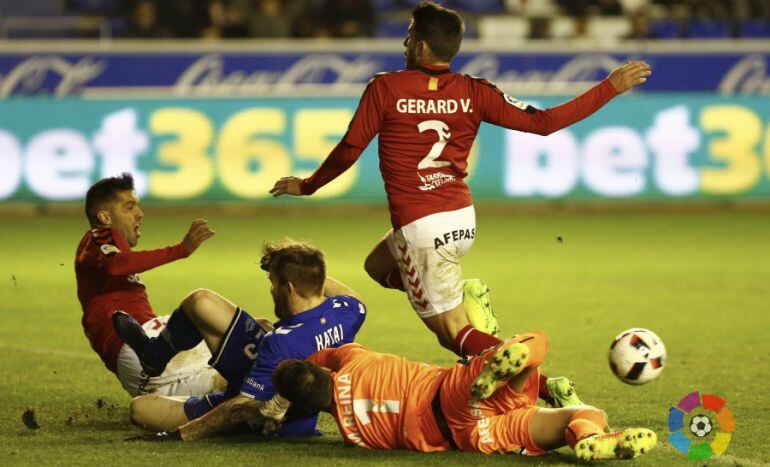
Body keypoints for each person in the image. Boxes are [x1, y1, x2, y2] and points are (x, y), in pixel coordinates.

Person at [269, 2, 652, 361]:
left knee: (452, 333)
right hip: (460, 218)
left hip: (421, 227)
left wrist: (309, 185)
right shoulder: (475, 91)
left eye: (408, 35)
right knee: (376, 266)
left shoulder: (385, 88)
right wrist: (610, 87)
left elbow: (351, 147)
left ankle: (534, 375)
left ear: (419, 46)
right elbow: (544, 123)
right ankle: (459, 300)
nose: (404, 43)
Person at [115, 240, 367, 440]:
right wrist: (291, 264)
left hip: (269, 418)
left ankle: (214, 395)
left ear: (288, 288)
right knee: (201, 301)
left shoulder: (281, 342)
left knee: (140, 409)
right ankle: (153, 356)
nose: (271, 289)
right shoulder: (349, 311)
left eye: (273, 283)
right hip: (276, 381)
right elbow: (348, 293)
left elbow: (243, 407)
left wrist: (183, 435)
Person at [273, 334, 657, 460]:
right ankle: (509, 368)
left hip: (468, 437)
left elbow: (315, 390)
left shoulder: (354, 436)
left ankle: (588, 440)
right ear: (324, 371)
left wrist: (288, 404)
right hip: (452, 394)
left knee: (563, 421)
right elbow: (327, 357)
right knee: (536, 344)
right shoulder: (355, 361)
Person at [75, 172, 219, 397]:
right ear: (105, 217)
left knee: (234, 379)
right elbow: (117, 265)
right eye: (129, 207)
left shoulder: (102, 255)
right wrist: (181, 250)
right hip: (141, 346)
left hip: (145, 370)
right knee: (219, 320)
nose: (140, 214)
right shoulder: (99, 235)